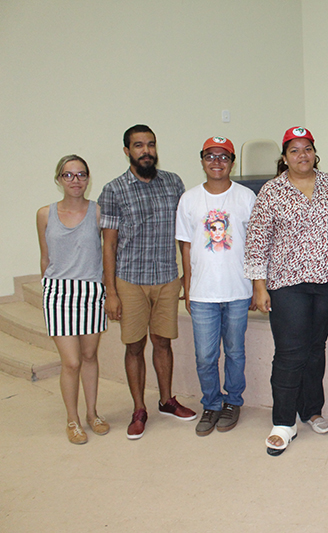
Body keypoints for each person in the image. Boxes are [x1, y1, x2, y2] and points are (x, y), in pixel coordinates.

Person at [244, 126, 328, 456]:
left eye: (307, 149)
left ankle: (312, 410)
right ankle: (283, 422)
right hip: (287, 283)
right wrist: (259, 286)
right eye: (294, 150)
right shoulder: (271, 192)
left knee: (316, 348)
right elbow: (257, 242)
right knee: (290, 352)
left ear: (315, 152)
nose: (302, 155)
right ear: (284, 157)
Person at [98, 124, 196, 440]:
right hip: (130, 280)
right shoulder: (114, 190)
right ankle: (139, 408)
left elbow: (185, 236)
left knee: (163, 342)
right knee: (135, 345)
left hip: (167, 278)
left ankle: (166, 400)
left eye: (151, 144)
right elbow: (109, 244)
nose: (146, 151)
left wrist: (187, 276)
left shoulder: (173, 183)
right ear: (127, 151)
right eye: (138, 145)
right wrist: (110, 291)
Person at [176, 137, 256, 436]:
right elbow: (185, 247)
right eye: (210, 156)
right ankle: (211, 404)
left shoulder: (246, 197)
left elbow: (255, 245)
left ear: (232, 161)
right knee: (205, 355)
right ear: (202, 160)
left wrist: (255, 286)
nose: (217, 162)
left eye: (223, 157)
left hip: (238, 290)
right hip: (202, 293)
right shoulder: (189, 199)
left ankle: (233, 402)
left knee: (235, 352)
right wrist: (187, 285)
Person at [37, 155, 109, 444]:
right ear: (59, 180)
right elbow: (45, 256)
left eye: (81, 175)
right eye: (68, 175)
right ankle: (73, 419)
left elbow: (107, 252)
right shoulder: (45, 214)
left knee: (90, 356)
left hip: (91, 290)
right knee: (71, 362)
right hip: (58, 292)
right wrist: (47, 290)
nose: (75, 180)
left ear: (88, 179)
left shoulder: (98, 213)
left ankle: (92, 414)